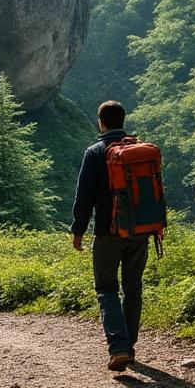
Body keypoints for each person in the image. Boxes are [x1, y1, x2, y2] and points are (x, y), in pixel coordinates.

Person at [70, 100, 148, 372]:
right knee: (133, 287)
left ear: (100, 122)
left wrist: (78, 231)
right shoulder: (139, 150)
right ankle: (130, 345)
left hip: (107, 232)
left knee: (106, 288)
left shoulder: (95, 152)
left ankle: (119, 347)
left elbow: (84, 197)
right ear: (122, 120)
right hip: (139, 231)